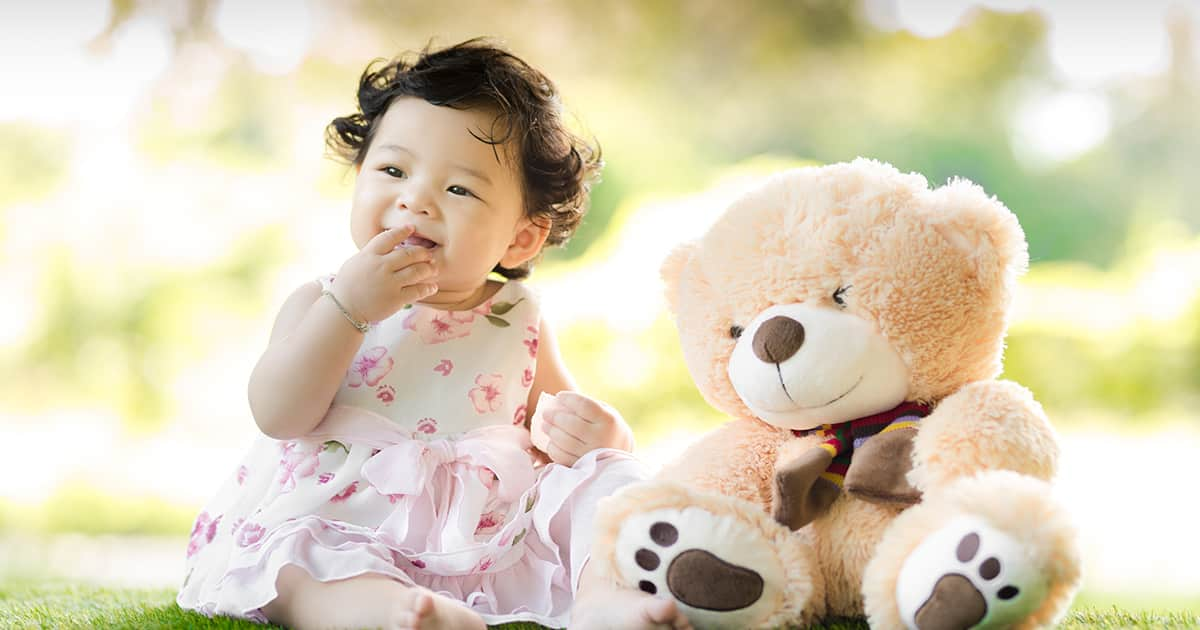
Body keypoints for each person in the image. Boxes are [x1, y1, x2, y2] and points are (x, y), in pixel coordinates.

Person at [176, 39, 685, 630]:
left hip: (484, 530)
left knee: (607, 482)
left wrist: (602, 437)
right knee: (299, 564)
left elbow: (556, 429)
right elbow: (278, 415)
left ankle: (605, 601)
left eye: (459, 189)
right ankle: (387, 613)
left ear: (521, 239)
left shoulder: (518, 315)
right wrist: (350, 309)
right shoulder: (324, 301)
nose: (414, 198)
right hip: (348, 517)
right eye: (393, 170)